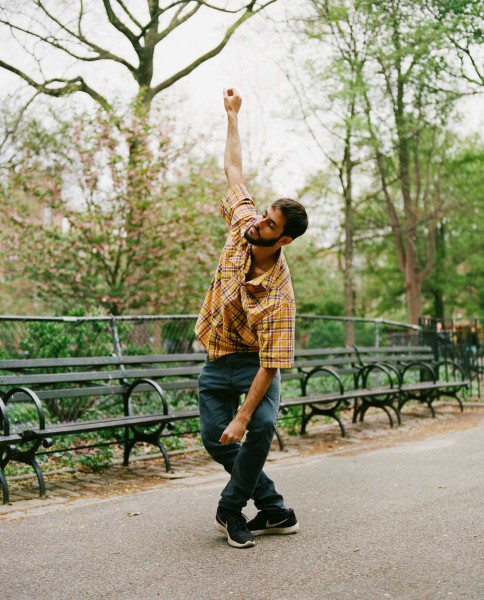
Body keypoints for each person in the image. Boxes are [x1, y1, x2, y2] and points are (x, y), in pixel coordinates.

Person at [195, 88, 309, 548]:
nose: (258, 223)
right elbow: (233, 170)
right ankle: (275, 509)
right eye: (263, 215)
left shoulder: (280, 296)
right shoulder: (242, 227)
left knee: (258, 426)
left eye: (269, 224)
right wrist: (232, 117)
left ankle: (229, 510)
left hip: (257, 363)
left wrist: (243, 417)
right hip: (217, 353)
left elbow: (271, 364)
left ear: (283, 240)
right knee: (214, 437)